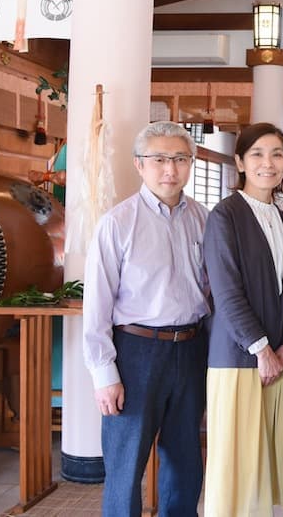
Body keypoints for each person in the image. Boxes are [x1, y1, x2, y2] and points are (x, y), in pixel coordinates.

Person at [82, 121, 208, 516]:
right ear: (140, 165)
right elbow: (97, 305)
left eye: (180, 159)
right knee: (125, 466)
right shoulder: (117, 223)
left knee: (186, 460)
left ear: (191, 163)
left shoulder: (205, 219)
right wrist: (105, 374)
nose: (170, 169)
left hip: (191, 349)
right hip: (135, 352)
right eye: (159, 159)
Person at [202, 123, 283, 516]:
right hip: (239, 358)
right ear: (240, 161)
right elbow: (226, 292)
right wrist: (262, 350)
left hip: (279, 357)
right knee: (237, 463)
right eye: (257, 154)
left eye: (277, 153)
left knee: (272, 461)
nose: (268, 163)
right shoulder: (224, 215)